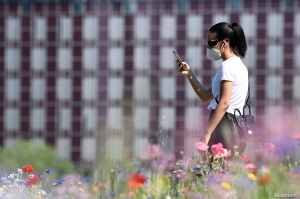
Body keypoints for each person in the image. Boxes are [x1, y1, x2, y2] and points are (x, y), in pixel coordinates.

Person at [176, 22, 248, 154]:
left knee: (215, 170)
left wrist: (206, 134)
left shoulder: (227, 67)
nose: (209, 48)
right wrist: (189, 74)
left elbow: (225, 103)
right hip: (234, 126)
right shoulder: (239, 65)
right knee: (225, 171)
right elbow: (205, 96)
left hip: (223, 125)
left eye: (211, 44)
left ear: (224, 43)